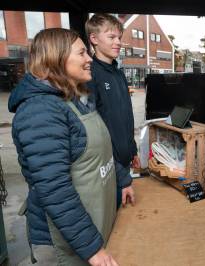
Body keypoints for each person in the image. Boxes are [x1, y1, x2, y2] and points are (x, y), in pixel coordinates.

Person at [8, 28, 118, 265]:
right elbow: (55, 189)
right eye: (82, 53)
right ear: (56, 58)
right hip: (63, 245)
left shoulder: (70, 99)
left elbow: (98, 154)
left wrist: (122, 179)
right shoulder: (40, 111)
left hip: (90, 232)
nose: (90, 59)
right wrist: (92, 249)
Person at [85, 13, 140, 209]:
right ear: (94, 39)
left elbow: (125, 116)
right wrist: (121, 176)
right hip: (107, 169)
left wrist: (132, 149)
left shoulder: (118, 74)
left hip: (123, 164)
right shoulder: (90, 75)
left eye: (119, 37)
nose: (118, 42)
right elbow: (94, 137)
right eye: (111, 37)